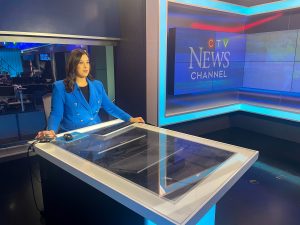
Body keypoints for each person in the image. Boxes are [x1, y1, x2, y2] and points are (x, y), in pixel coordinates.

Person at [36, 49, 144, 140]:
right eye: (81, 63)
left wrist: (129, 119)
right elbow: (56, 114)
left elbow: (110, 107)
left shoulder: (97, 85)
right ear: (73, 65)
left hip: (97, 133)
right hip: (74, 136)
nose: (85, 66)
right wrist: (51, 131)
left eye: (87, 62)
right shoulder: (60, 87)